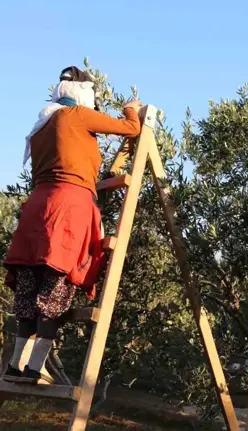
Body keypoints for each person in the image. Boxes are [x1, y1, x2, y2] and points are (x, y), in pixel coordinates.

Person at [2, 66, 142, 384]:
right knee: (55, 291)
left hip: (36, 208)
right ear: (83, 94)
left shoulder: (41, 125)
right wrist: (132, 109)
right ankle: (35, 368)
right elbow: (130, 129)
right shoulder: (76, 115)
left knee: (29, 289)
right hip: (68, 207)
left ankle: (15, 366)